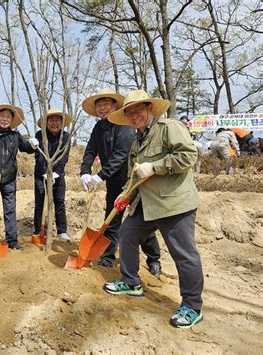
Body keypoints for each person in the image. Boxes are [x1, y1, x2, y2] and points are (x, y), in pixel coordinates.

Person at [104, 89, 204, 329]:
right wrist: (125, 194)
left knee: (183, 253)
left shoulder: (169, 128)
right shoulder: (136, 141)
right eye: (129, 113)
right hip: (148, 205)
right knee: (127, 233)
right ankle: (131, 282)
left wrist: (156, 166)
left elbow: (188, 156)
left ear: (150, 109)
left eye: (138, 110)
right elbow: (134, 176)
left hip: (174, 204)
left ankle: (192, 306)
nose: (134, 115)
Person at [80, 89, 161, 275]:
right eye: (99, 105)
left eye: (106, 104)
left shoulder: (124, 126)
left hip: (133, 181)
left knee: (141, 221)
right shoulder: (98, 128)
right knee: (112, 217)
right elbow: (90, 150)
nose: (102, 108)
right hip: (114, 182)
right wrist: (85, 172)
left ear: (115, 106)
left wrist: (100, 175)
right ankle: (107, 257)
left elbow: (121, 154)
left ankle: (154, 259)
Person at [0, 104, 39, 250]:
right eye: (2, 116)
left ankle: (12, 241)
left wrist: (32, 145)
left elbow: (25, 148)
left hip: (9, 179)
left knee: (10, 210)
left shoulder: (15, 136)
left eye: (8, 117)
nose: (5, 119)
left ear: (12, 120)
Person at [34, 108, 72, 242]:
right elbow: (39, 156)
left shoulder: (66, 137)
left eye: (57, 120)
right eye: (51, 120)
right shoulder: (40, 135)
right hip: (41, 174)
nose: (54, 123)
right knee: (40, 203)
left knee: (59, 202)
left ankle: (62, 231)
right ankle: (39, 231)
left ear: (62, 123)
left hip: (58, 175)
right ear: (46, 123)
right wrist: (45, 173)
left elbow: (64, 157)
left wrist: (56, 173)